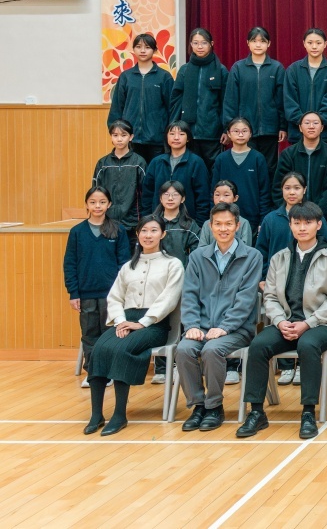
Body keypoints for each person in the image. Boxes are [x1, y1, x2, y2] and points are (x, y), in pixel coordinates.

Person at [237, 202, 327, 440]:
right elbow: (269, 297)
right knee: (258, 346)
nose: (302, 227)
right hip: (286, 323)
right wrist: (279, 322)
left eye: (308, 222)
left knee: (307, 345)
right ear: (290, 225)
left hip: (321, 324)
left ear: (319, 225)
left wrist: (308, 323)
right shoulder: (279, 258)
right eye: (297, 223)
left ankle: (308, 412)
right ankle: (256, 412)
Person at [83, 214, 184, 436]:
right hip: (126, 320)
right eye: (144, 231)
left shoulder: (173, 264)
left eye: (154, 230)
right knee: (99, 349)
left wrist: (142, 322)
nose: (148, 235)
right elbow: (114, 297)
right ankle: (96, 414)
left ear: (163, 234)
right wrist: (121, 322)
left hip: (155, 325)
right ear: (137, 234)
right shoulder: (128, 266)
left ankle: (119, 415)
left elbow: (169, 299)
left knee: (121, 349)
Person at [176, 202, 263, 433]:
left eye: (228, 224)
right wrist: (191, 325)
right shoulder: (197, 257)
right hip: (202, 327)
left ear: (237, 225)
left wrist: (225, 327)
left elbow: (246, 299)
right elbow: (189, 294)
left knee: (212, 350)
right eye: (218, 224)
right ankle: (198, 406)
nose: (223, 229)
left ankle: (214, 406)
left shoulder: (252, 256)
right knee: (183, 350)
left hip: (237, 329)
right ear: (210, 226)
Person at [64, 186, 131, 385]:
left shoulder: (118, 230)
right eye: (93, 202)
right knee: (89, 334)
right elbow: (70, 264)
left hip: (111, 294)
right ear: (86, 204)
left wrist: (121, 293)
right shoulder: (77, 232)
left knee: (109, 333)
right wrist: (73, 293)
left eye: (102, 202)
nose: (97, 206)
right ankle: (93, 373)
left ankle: (108, 371)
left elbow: (124, 264)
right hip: (85, 293)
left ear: (109, 204)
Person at [221, 27, 286, 177]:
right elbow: (230, 100)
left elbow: (281, 100)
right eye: (254, 41)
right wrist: (228, 128)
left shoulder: (276, 68)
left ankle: (267, 194)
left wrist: (283, 126)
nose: (258, 45)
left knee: (269, 169)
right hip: (243, 130)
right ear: (247, 43)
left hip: (270, 129)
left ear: (268, 44)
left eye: (262, 41)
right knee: (247, 168)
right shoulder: (238, 68)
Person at [255, 171, 327, 286]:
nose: (292, 192)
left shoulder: (316, 217)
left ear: (304, 190)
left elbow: (326, 248)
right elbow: (261, 252)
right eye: (287, 188)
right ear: (282, 190)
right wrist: (263, 277)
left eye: (297, 188)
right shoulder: (271, 219)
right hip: (276, 278)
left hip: (310, 280)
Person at [107, 32, 174, 163]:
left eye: (147, 47)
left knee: (155, 173)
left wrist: (168, 133)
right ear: (133, 49)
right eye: (138, 47)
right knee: (132, 173)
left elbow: (172, 108)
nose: (143, 50)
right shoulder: (126, 77)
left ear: (154, 50)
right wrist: (116, 131)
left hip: (157, 140)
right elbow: (117, 106)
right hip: (131, 139)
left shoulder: (164, 77)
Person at [171, 27, 229, 171]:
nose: (200, 47)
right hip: (188, 132)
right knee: (190, 169)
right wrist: (173, 126)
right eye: (195, 43)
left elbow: (226, 102)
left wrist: (226, 129)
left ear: (211, 44)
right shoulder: (184, 70)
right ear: (191, 45)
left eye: (204, 43)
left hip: (212, 132)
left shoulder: (221, 70)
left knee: (213, 170)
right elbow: (176, 101)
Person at [273, 112, 327, 231]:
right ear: (300, 127)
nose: (311, 126)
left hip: (322, 218)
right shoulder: (288, 154)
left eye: (315, 123)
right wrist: (289, 212)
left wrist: (317, 215)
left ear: (322, 128)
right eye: (307, 123)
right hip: (291, 218)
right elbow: (278, 186)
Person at [142, 120, 212, 224]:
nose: (176, 137)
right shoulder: (156, 162)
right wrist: (147, 221)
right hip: (158, 222)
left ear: (188, 138)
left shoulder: (196, 163)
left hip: (187, 223)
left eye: (181, 134)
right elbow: (147, 195)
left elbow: (203, 197)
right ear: (166, 137)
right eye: (172, 134)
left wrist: (199, 225)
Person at [283, 28, 327, 147]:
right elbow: (289, 101)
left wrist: (316, 124)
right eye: (310, 43)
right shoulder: (293, 70)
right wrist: (304, 124)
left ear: (325, 44)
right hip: (298, 133)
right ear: (304, 43)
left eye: (318, 43)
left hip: (325, 134)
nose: (314, 46)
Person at [210, 118, 272, 231]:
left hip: (252, 218)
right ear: (229, 134)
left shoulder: (258, 158)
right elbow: (213, 191)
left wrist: (262, 220)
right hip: (225, 217)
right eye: (236, 131)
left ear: (250, 134)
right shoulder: (221, 159)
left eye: (244, 131)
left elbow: (264, 192)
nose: (240, 134)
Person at [92, 121, 148, 239]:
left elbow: (145, 193)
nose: (119, 139)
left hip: (133, 222)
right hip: (107, 221)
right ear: (111, 137)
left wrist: (143, 219)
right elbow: (96, 193)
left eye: (123, 135)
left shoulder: (139, 162)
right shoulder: (103, 163)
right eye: (115, 135)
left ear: (131, 137)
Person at [197, 181, 255, 253]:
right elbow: (201, 249)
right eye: (217, 195)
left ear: (235, 198)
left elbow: (246, 250)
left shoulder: (243, 223)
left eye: (226, 195)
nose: (221, 199)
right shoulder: (207, 224)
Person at [155, 181, 201, 265]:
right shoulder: (153, 223)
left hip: (182, 270)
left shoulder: (190, 225)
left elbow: (197, 253)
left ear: (182, 199)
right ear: (160, 198)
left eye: (175, 195)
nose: (170, 198)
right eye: (166, 194)